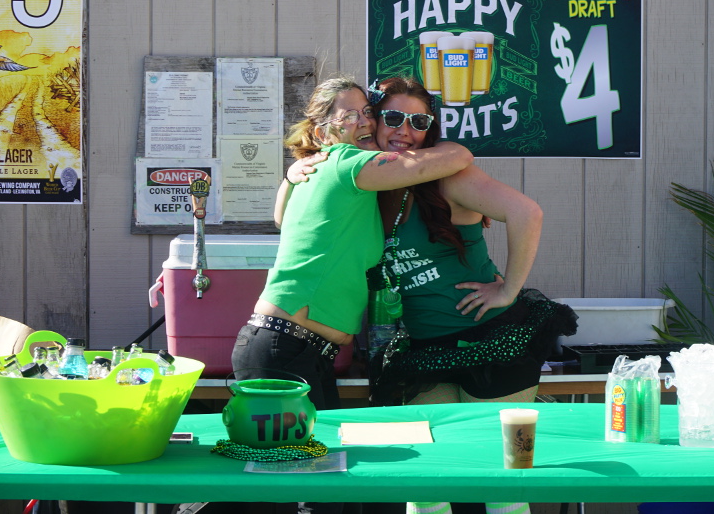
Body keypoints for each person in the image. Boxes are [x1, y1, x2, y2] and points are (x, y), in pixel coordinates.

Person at [287, 76, 576, 514]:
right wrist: (293, 172)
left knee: (501, 482)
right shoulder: (366, 182)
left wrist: (508, 289)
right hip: (426, 349)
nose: (405, 130)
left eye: (418, 122)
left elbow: (526, 212)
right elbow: (290, 215)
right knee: (426, 483)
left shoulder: (448, 178)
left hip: (491, 339)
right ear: (373, 121)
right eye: (393, 117)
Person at [232, 75, 473, 413]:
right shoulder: (349, 164)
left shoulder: (329, 171)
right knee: (301, 448)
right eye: (349, 116)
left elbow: (280, 219)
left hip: (295, 348)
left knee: (322, 445)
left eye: (367, 112)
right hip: (283, 348)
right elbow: (459, 157)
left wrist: (290, 176)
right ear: (321, 133)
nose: (365, 122)